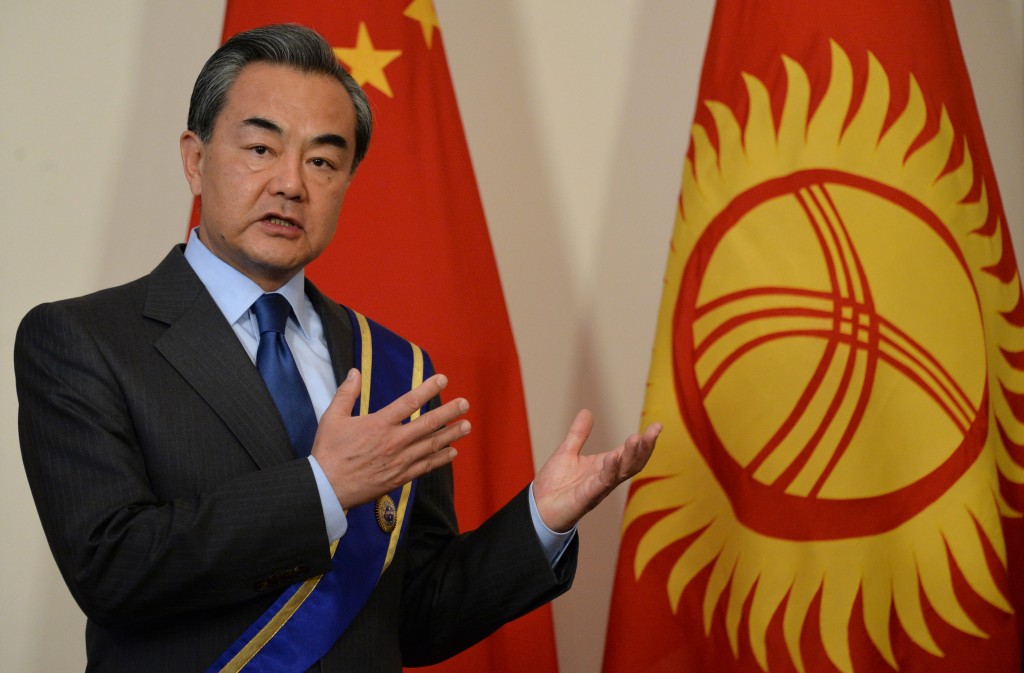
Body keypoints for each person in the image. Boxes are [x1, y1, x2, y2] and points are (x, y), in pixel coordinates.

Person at [14, 23, 662, 673]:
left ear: (348, 180)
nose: (291, 183)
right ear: (194, 157)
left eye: (322, 161)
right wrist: (322, 489)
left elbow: (415, 615)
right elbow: (111, 567)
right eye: (262, 148)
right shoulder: (84, 340)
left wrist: (538, 520)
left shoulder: (394, 366)